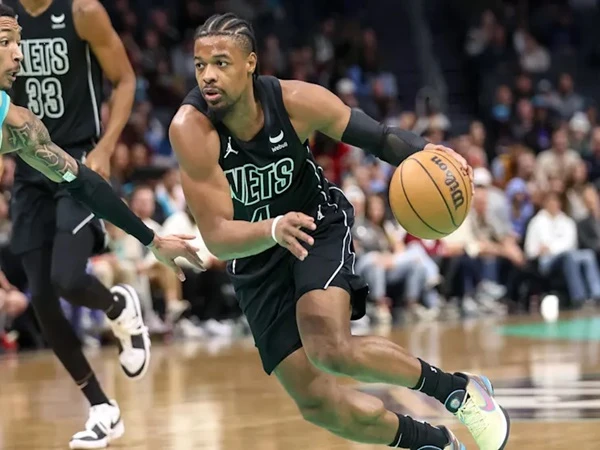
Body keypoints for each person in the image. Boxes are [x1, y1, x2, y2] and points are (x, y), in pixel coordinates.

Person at [169, 12, 510, 450]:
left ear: (250, 63)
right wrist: (272, 228)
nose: (208, 77)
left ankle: (458, 391)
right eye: (200, 65)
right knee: (317, 404)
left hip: (315, 224)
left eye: (221, 63)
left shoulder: (295, 101)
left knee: (329, 347)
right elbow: (217, 235)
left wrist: (431, 151)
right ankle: (434, 443)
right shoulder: (191, 129)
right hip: (254, 253)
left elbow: (379, 137)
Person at [0, 5, 205, 449]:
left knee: (59, 282)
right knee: (45, 296)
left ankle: (103, 401)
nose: (20, 55)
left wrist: (151, 238)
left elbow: (83, 183)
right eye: (6, 44)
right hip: (30, 183)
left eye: (18, 42)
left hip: (76, 151)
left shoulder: (18, 122)